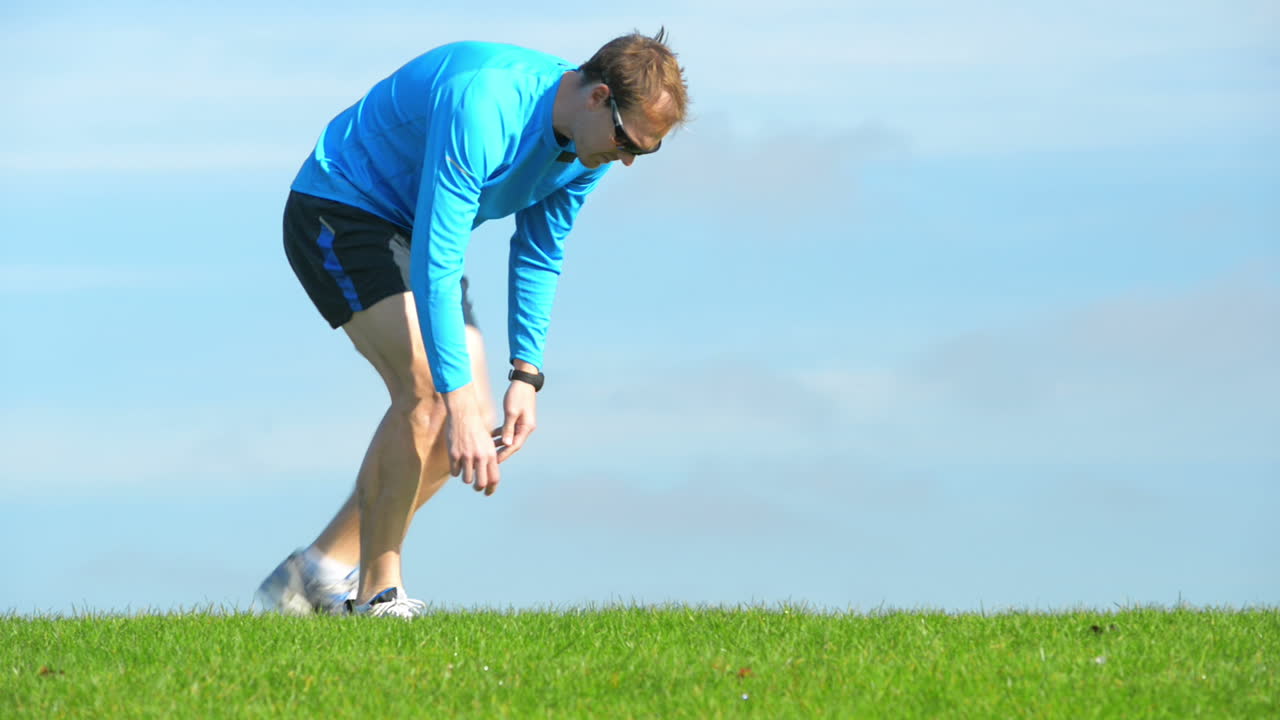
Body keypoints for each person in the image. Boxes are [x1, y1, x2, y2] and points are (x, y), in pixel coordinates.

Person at [254, 30, 689, 618]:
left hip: (413, 233)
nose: (628, 158)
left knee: (470, 422)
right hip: (340, 207)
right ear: (598, 97)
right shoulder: (483, 104)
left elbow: (540, 251)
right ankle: (379, 593)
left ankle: (315, 573)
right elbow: (440, 253)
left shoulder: (592, 149)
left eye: (646, 150)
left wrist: (526, 375)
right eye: (626, 140)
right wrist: (452, 397)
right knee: (434, 393)